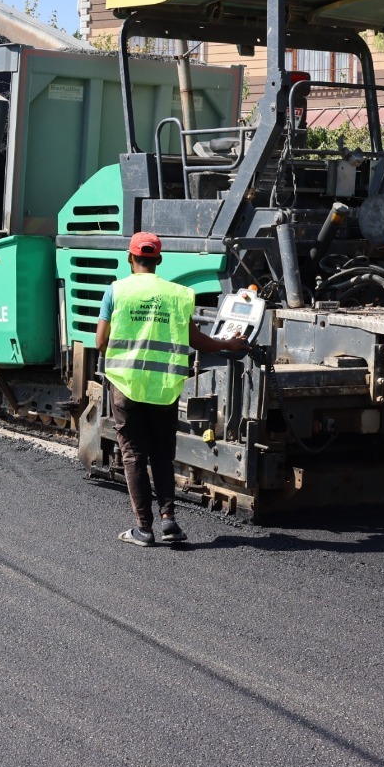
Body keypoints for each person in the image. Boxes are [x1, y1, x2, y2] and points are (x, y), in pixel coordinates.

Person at [95, 231, 247, 547]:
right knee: (163, 455)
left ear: (130, 258)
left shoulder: (116, 291)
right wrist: (228, 343)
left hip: (127, 386)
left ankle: (143, 529)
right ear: (159, 260)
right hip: (164, 388)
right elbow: (196, 340)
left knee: (134, 455)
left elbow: (100, 342)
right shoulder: (179, 294)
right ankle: (169, 521)